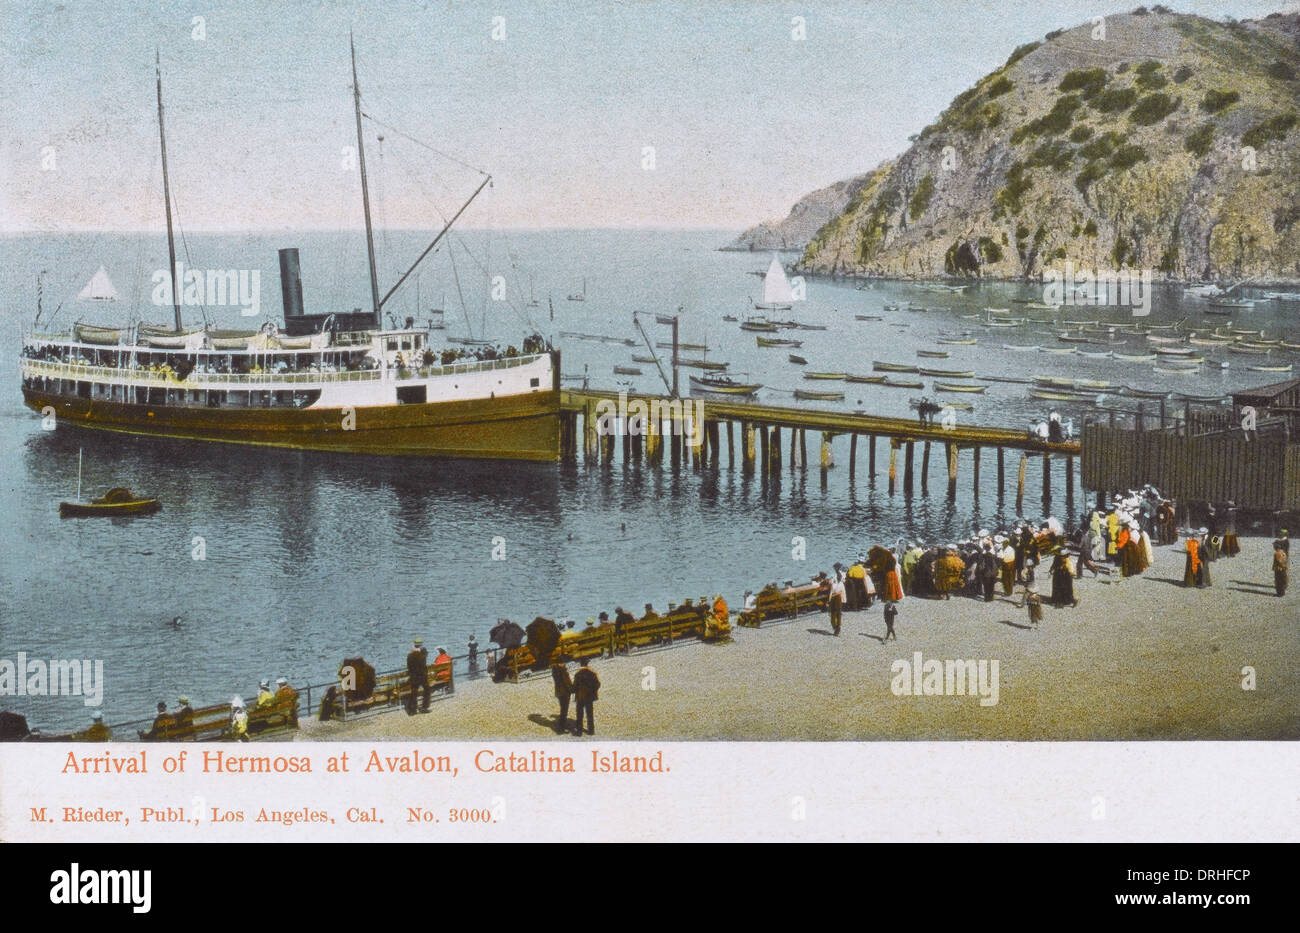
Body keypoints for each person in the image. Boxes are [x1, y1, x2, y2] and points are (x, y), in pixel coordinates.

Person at [572, 658, 600, 736]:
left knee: (579, 714)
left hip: (580, 697)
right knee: (590, 714)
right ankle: (591, 731)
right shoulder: (592, 673)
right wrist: (592, 691)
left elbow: (574, 687)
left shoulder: (577, 674)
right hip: (589, 697)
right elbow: (598, 684)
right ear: (587, 664)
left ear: (581, 664)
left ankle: (579, 731)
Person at [406, 637, 430, 714]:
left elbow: (409, 667)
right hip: (422, 676)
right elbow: (424, 664)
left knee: (414, 692)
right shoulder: (423, 654)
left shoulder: (410, 655)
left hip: (413, 677)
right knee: (427, 690)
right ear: (421, 644)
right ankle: (424, 707)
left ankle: (413, 709)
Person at [550, 661, 573, 733]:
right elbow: (566, 681)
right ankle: (562, 727)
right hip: (565, 692)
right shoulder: (561, 670)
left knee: (563, 708)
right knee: (564, 709)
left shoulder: (554, 669)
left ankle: (562, 724)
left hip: (559, 691)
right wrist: (571, 688)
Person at [828, 568, 846, 635]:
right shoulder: (834, 582)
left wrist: (843, 600)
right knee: (833, 613)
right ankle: (835, 626)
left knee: (837, 613)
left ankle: (838, 627)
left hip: (838, 597)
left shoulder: (840, 584)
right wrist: (829, 600)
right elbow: (831, 592)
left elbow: (843, 593)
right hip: (834, 597)